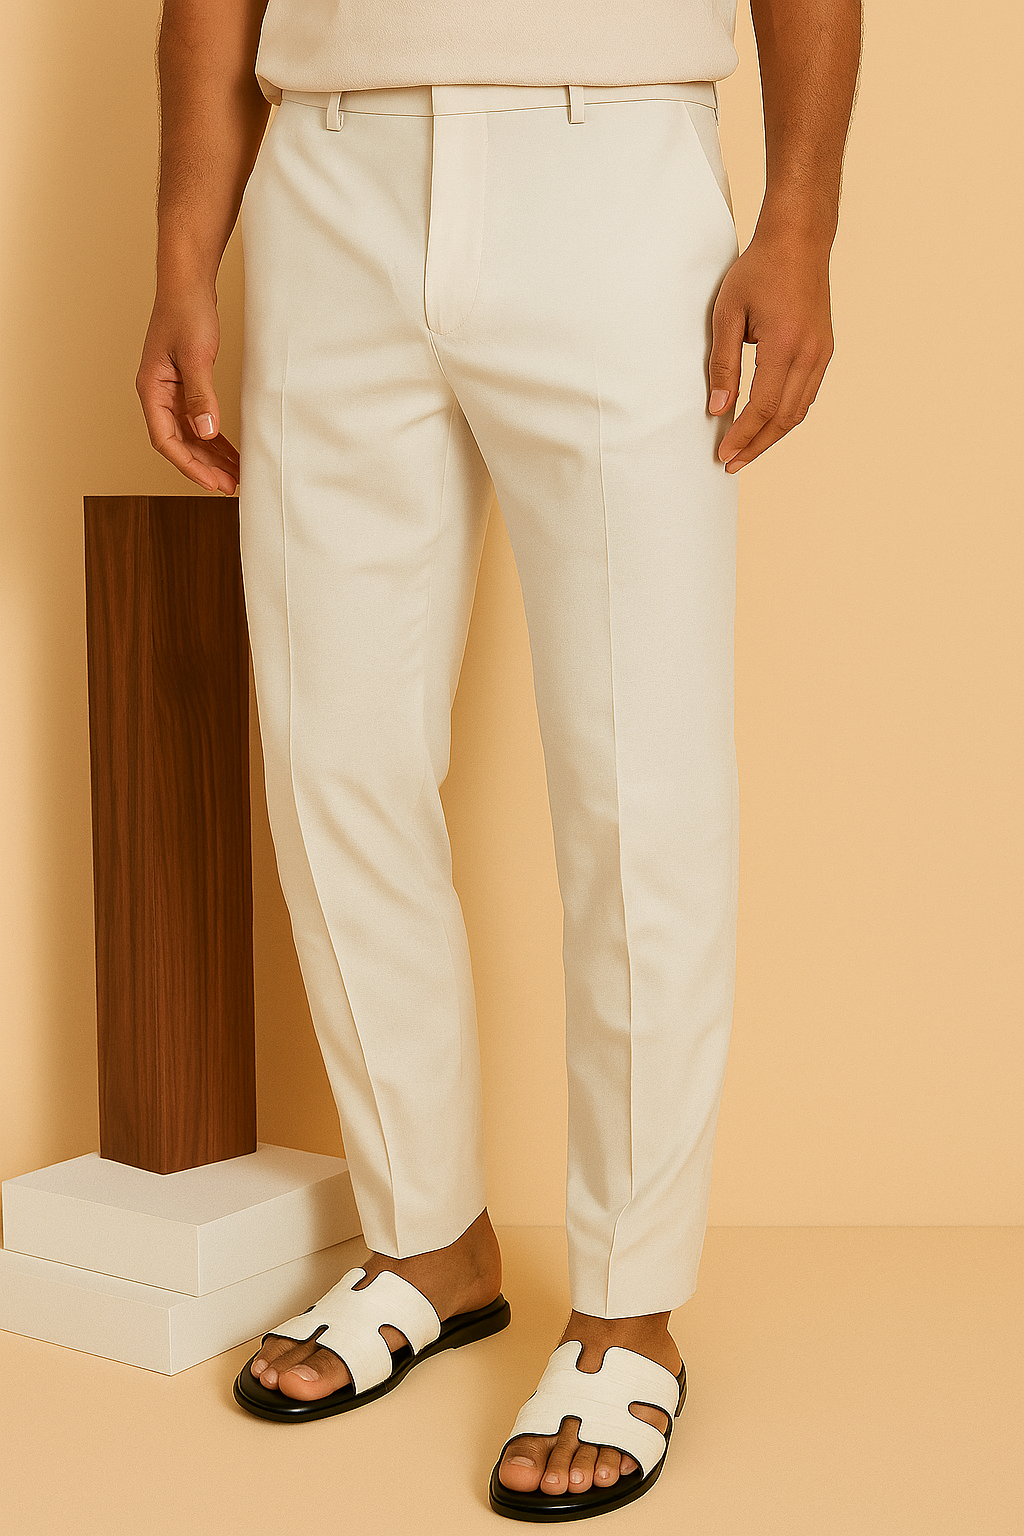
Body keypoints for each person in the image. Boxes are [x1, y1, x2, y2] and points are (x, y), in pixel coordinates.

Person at [137, 0, 861, 1519]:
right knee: (335, 757)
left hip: (611, 169)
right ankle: (427, 1242)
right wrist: (183, 256)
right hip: (325, 178)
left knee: (640, 778)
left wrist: (799, 221)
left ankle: (629, 1308)